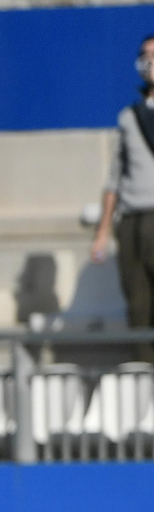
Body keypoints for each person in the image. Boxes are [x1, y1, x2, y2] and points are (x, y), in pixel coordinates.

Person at [91, 35, 154, 364]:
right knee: (137, 302)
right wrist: (103, 231)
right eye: (146, 56)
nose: (151, 61)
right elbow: (114, 178)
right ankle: (144, 372)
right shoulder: (129, 117)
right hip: (132, 219)